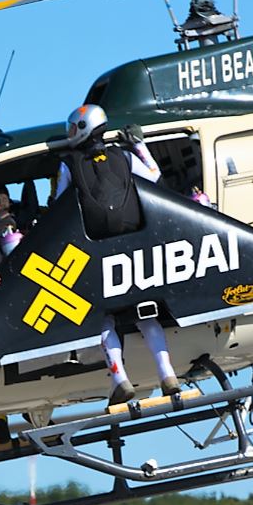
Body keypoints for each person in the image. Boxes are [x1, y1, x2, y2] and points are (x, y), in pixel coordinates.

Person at [56, 103, 178, 404]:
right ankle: (167, 373)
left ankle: (120, 378)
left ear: (83, 128)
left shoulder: (68, 165)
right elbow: (154, 175)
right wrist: (139, 146)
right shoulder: (122, 156)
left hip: (95, 248)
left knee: (104, 319)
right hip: (133, 244)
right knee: (146, 313)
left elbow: (59, 205)